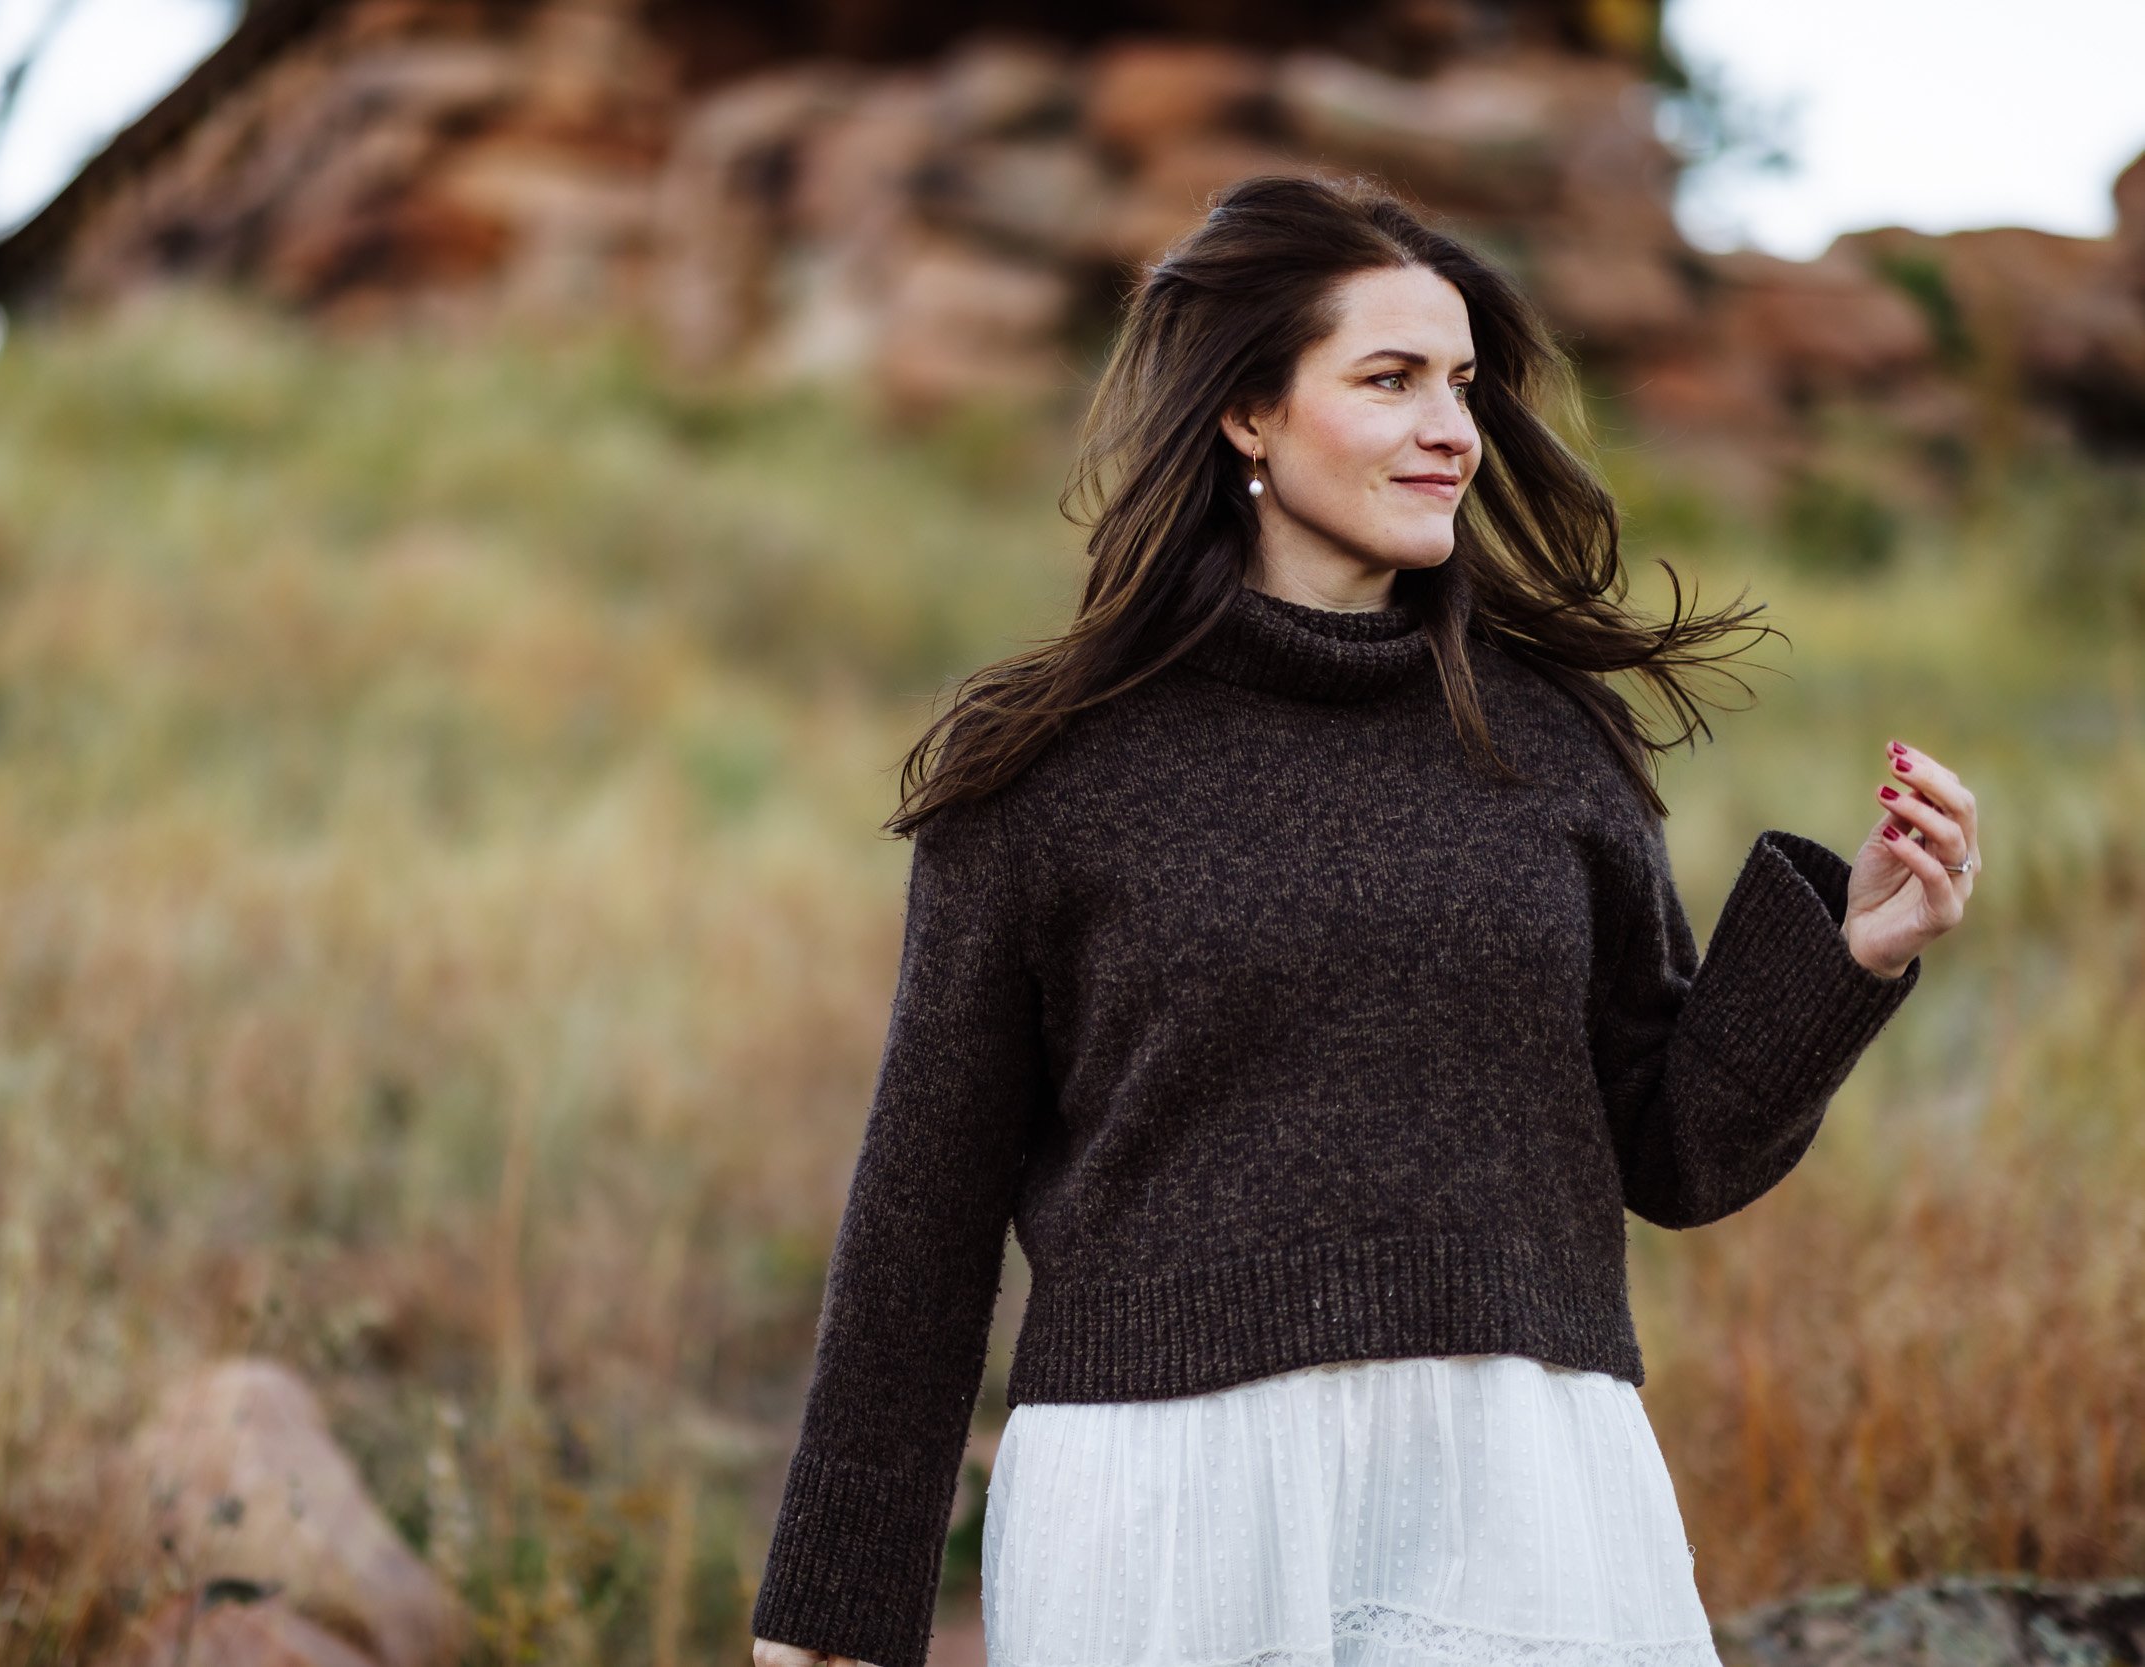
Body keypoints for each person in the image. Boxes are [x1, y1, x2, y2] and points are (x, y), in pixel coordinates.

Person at [747, 172, 1976, 1667]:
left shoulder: (1549, 747)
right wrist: (834, 1610)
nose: (1452, 430)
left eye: (1461, 384)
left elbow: (1672, 1151)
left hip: (1520, 1488)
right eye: (1389, 381)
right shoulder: (1053, 769)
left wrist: (1855, 953)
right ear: (1247, 414)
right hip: (1172, 1502)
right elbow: (923, 1220)